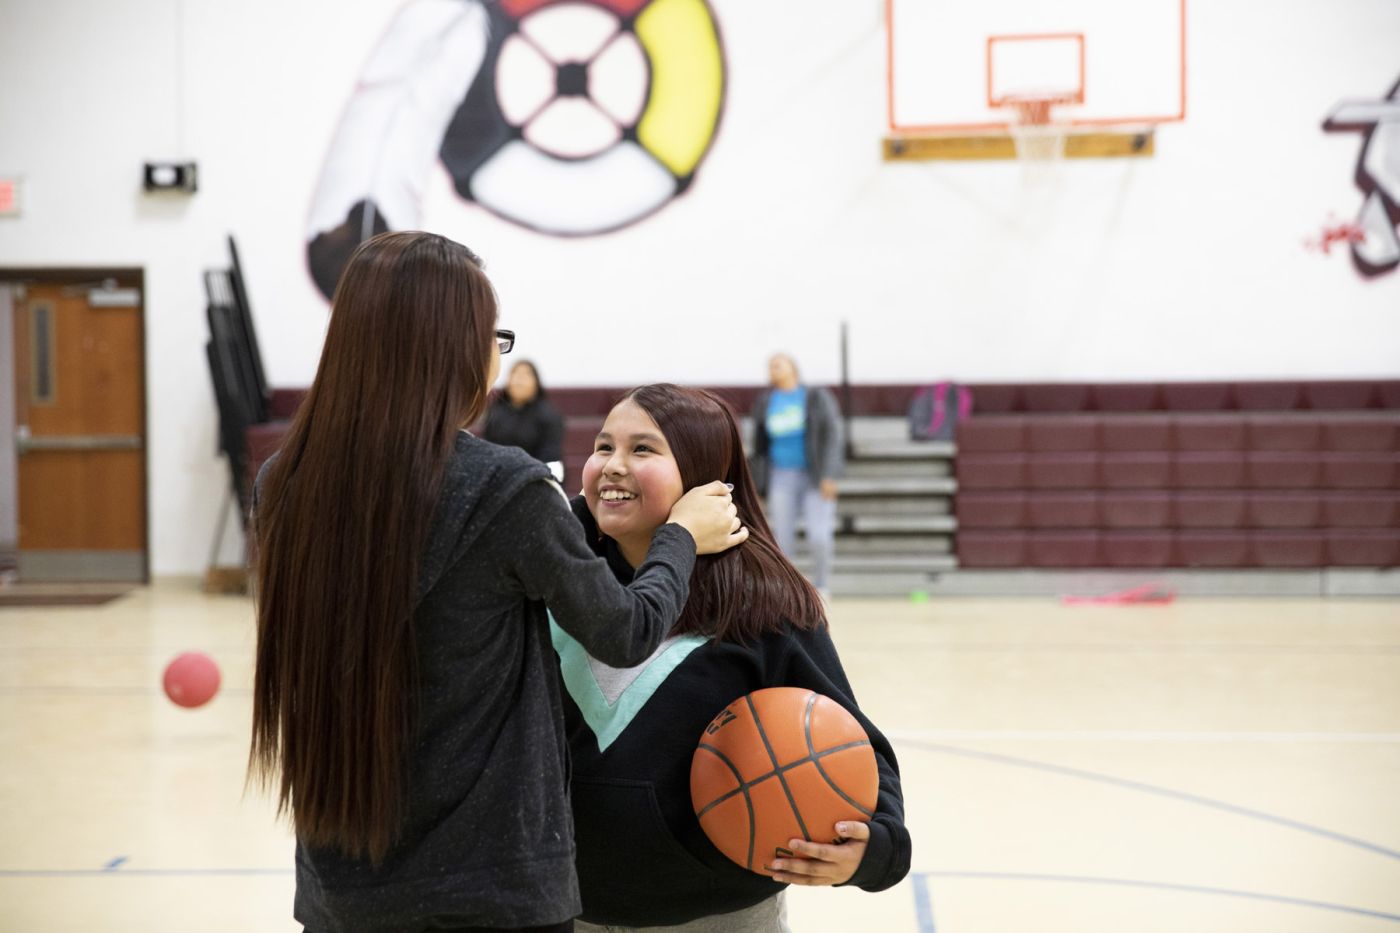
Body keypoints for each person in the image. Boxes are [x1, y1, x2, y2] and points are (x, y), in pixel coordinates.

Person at [247, 232, 747, 933]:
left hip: (342, 887)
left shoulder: (283, 482)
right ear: (450, 346)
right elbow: (627, 628)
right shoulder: (504, 485)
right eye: (493, 335)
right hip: (493, 887)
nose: (496, 353)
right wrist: (680, 538)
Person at [552, 384, 911, 932]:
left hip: (719, 915)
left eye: (642, 450)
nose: (612, 466)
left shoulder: (763, 604)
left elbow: (854, 740)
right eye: (603, 447)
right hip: (561, 908)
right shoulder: (553, 584)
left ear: (702, 477)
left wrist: (877, 846)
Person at [748, 354, 845, 597]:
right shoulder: (766, 401)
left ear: (793, 368)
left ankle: (821, 585)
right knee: (781, 538)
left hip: (814, 476)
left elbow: (832, 436)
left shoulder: (815, 397)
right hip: (781, 475)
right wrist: (758, 486)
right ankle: (786, 589)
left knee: (819, 534)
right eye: (770, 365)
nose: (773, 369)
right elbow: (759, 446)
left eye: (778, 364)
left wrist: (830, 475)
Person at [482, 359, 566, 481]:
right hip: (499, 476)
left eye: (526, 375)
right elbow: (488, 448)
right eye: (515, 374)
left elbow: (551, 456)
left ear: (536, 382)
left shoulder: (549, 415)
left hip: (538, 477)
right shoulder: (495, 412)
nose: (519, 380)